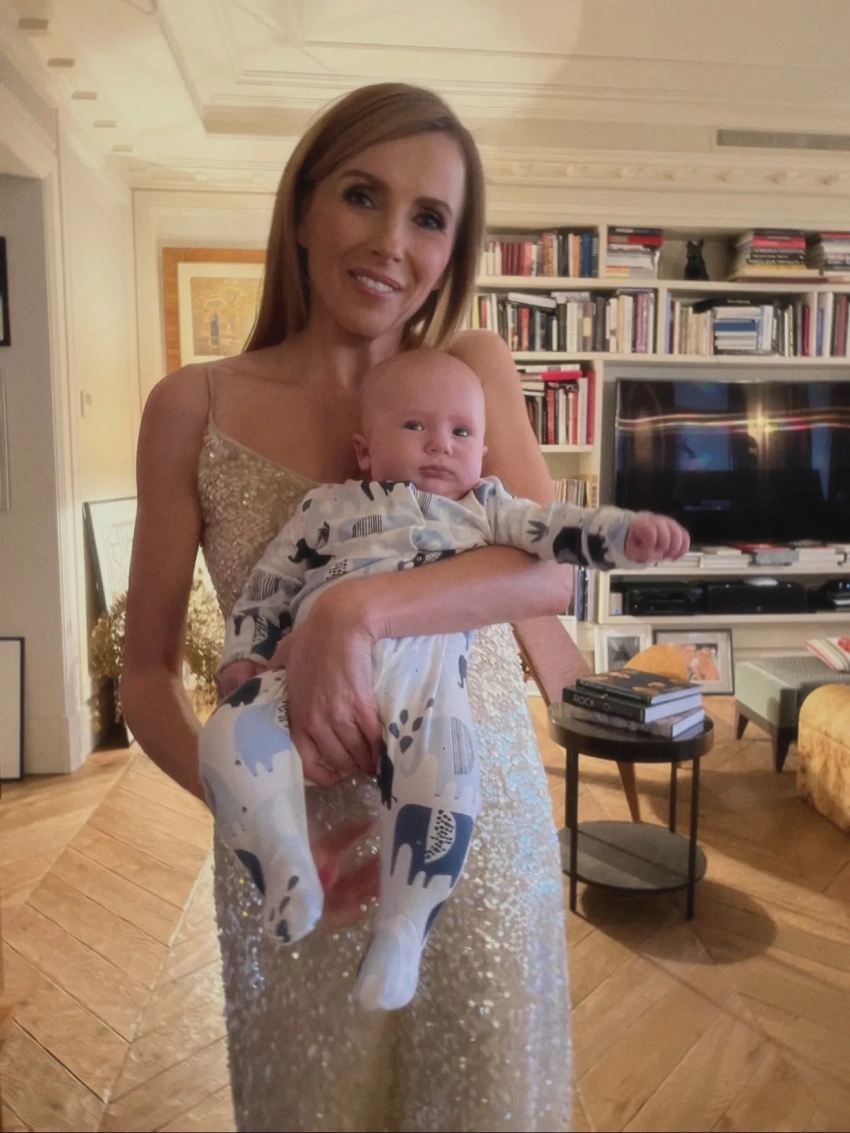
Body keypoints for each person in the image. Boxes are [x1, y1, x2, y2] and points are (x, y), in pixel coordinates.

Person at [122, 81, 689, 1132]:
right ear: (301, 208)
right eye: (361, 195)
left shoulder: (472, 371)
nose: (391, 241)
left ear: (452, 247)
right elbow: (145, 675)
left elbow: (547, 574)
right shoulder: (192, 404)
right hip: (301, 859)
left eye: (429, 217)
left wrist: (356, 612)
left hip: (474, 824)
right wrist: (252, 819)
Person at [199, 348, 687, 1013]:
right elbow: (269, 583)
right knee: (228, 733)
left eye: (461, 432)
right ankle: (286, 864)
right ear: (365, 449)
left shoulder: (487, 508)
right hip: (305, 670)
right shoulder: (327, 507)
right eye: (415, 427)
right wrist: (243, 656)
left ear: (482, 453)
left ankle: (403, 932)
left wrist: (626, 535)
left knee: (447, 788)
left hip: (425, 685)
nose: (440, 444)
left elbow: (557, 530)